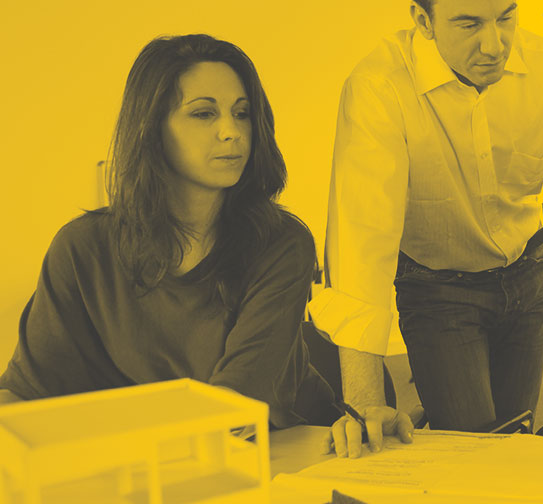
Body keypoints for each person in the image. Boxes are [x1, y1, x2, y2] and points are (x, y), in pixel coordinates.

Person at [311, 0, 543, 456]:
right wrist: (362, 402)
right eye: (469, 24)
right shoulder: (380, 89)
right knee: (469, 446)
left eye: (506, 17)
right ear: (422, 20)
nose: (494, 44)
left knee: (515, 436)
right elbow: (363, 246)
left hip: (527, 273)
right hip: (436, 287)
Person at [0, 34, 334, 428]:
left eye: (242, 113)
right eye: (203, 114)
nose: (232, 132)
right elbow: (24, 397)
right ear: (151, 127)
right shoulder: (81, 249)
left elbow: (233, 411)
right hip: (144, 466)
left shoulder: (282, 243)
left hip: (285, 456)